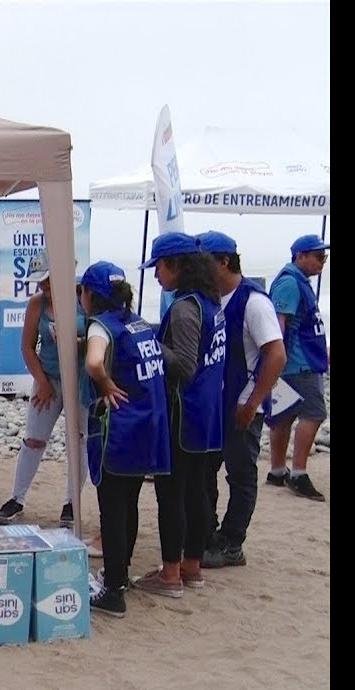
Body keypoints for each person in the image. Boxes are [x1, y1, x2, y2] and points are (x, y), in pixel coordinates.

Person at [134, 231, 226, 599]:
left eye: (158, 267)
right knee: (197, 492)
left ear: (174, 265)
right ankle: (192, 567)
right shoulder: (211, 304)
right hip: (208, 413)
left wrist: (151, 343)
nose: (156, 276)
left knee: (172, 494)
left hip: (183, 413)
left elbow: (184, 365)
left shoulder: (186, 309)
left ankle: (171, 574)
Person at [80, 261, 170, 618]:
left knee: (113, 508)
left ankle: (113, 591)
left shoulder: (101, 327)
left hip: (119, 427)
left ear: (91, 294)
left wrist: (103, 384)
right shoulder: (137, 324)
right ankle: (120, 574)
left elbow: (93, 362)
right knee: (129, 503)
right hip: (149, 424)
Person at [196, 232, 286, 569]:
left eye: (203, 262)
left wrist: (252, 402)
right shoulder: (209, 298)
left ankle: (233, 542)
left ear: (224, 261)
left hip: (242, 406)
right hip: (214, 407)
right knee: (204, 471)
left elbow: (276, 354)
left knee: (241, 474)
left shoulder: (253, 301)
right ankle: (207, 535)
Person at [0, 251, 91, 529]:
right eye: (41, 283)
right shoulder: (37, 304)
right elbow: (27, 346)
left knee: (80, 441)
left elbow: (99, 336)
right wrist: (41, 380)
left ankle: (71, 502)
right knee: (34, 440)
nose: (43, 288)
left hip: (80, 381)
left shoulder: (83, 298)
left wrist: (78, 341)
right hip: (49, 378)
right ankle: (17, 497)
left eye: (48, 281)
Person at [265, 234, 329, 501]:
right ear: (300, 256)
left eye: (324, 257)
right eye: (317, 256)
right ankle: (299, 473)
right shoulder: (290, 283)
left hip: (298, 360)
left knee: (283, 416)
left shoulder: (298, 282)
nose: (322, 262)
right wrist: (276, 360)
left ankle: (278, 471)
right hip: (297, 363)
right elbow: (277, 326)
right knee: (314, 413)